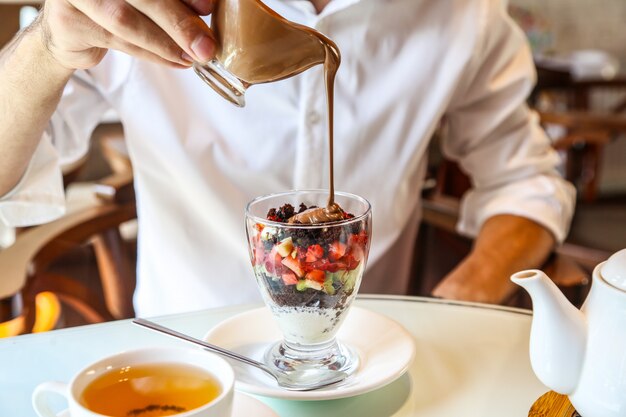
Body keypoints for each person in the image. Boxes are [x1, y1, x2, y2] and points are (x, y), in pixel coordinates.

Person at [0, 0, 575, 317]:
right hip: (185, 353)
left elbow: (524, 180)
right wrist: (48, 46)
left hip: (368, 362)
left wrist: (458, 303)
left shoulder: (464, 16)